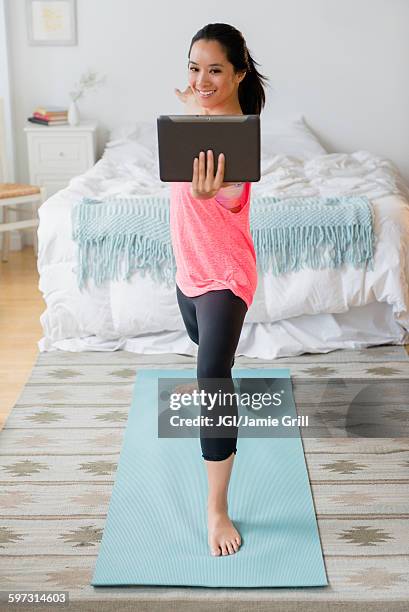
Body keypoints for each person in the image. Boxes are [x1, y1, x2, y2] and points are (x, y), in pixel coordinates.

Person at [171, 23, 269, 557]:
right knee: (196, 339)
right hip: (188, 266)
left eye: (214, 70)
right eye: (194, 67)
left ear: (238, 74)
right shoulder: (193, 119)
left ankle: (217, 509)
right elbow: (194, 105)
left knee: (213, 375)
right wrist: (194, 102)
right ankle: (210, 377)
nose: (203, 79)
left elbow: (233, 195)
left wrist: (219, 192)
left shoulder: (237, 138)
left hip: (226, 274)